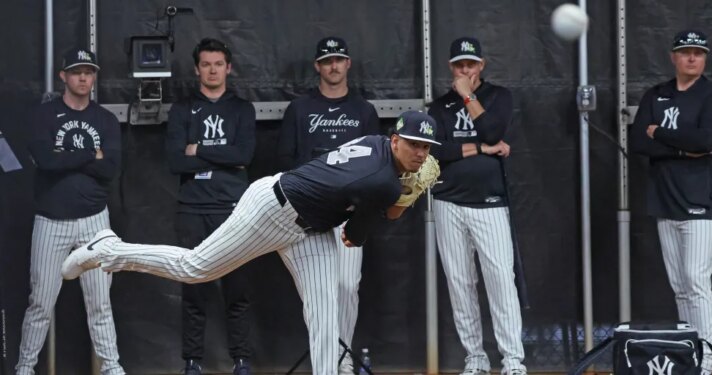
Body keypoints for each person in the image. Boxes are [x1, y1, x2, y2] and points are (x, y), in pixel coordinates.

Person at [61, 110, 440, 375]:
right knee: (194, 268)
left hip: (311, 229)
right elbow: (354, 236)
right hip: (273, 210)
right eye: (413, 144)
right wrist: (403, 200)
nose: (420, 154)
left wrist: (394, 193)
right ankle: (108, 250)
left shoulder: (373, 143)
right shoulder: (384, 182)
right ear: (394, 140)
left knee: (325, 316)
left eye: (426, 147)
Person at [17, 48, 126, 375]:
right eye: (77, 71)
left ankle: (112, 369)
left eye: (89, 72)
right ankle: (24, 368)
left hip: (94, 222)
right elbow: (46, 162)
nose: (83, 78)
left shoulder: (105, 119)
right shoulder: (44, 115)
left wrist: (65, 153)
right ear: (63, 76)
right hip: (51, 221)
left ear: (94, 77)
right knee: (40, 304)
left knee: (100, 304)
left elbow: (110, 169)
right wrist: (91, 154)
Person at [277, 36, 380, 374]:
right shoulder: (300, 110)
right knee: (318, 293)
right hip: (312, 213)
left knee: (348, 286)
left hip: (349, 214)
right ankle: (325, 362)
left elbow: (377, 166)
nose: (333, 66)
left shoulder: (364, 111)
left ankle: (343, 358)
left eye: (339, 59)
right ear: (317, 66)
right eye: (326, 61)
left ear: (348, 63)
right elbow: (286, 163)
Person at [629, 30, 712, 375]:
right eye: (685, 52)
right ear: (673, 56)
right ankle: (690, 354)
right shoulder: (656, 95)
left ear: (705, 58)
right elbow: (638, 141)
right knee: (681, 287)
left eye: (698, 53)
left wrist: (660, 133)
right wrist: (684, 148)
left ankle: (707, 356)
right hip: (665, 201)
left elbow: (708, 140)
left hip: (702, 203)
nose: (692, 58)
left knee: (696, 281)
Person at [428, 37, 526, 375]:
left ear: (481, 66)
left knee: (500, 278)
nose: (464, 70)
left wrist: (469, 97)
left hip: (489, 203)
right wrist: (482, 149)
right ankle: (476, 357)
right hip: (447, 200)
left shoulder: (498, 96)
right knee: (460, 282)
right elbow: (438, 151)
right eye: (459, 65)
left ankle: (512, 359)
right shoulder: (439, 106)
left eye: (470, 64)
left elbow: (492, 128)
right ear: (451, 67)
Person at [166, 38, 256, 375]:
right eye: (206, 64)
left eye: (219, 64)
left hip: (234, 209)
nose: (213, 70)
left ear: (228, 67)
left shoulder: (241, 109)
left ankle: (242, 361)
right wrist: (223, 157)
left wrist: (199, 148)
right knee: (194, 289)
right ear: (197, 69)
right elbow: (176, 162)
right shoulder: (182, 109)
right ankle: (193, 362)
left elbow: (243, 156)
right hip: (192, 209)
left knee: (238, 290)